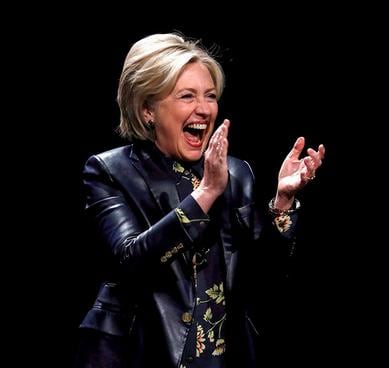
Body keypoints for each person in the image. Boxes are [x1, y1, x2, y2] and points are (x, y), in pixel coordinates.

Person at [74, 33, 325, 368]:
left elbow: (265, 278)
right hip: (139, 354)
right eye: (186, 96)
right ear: (148, 109)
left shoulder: (236, 173)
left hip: (221, 357)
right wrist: (205, 193)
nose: (204, 109)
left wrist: (282, 201)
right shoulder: (110, 170)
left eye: (210, 96)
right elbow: (131, 260)